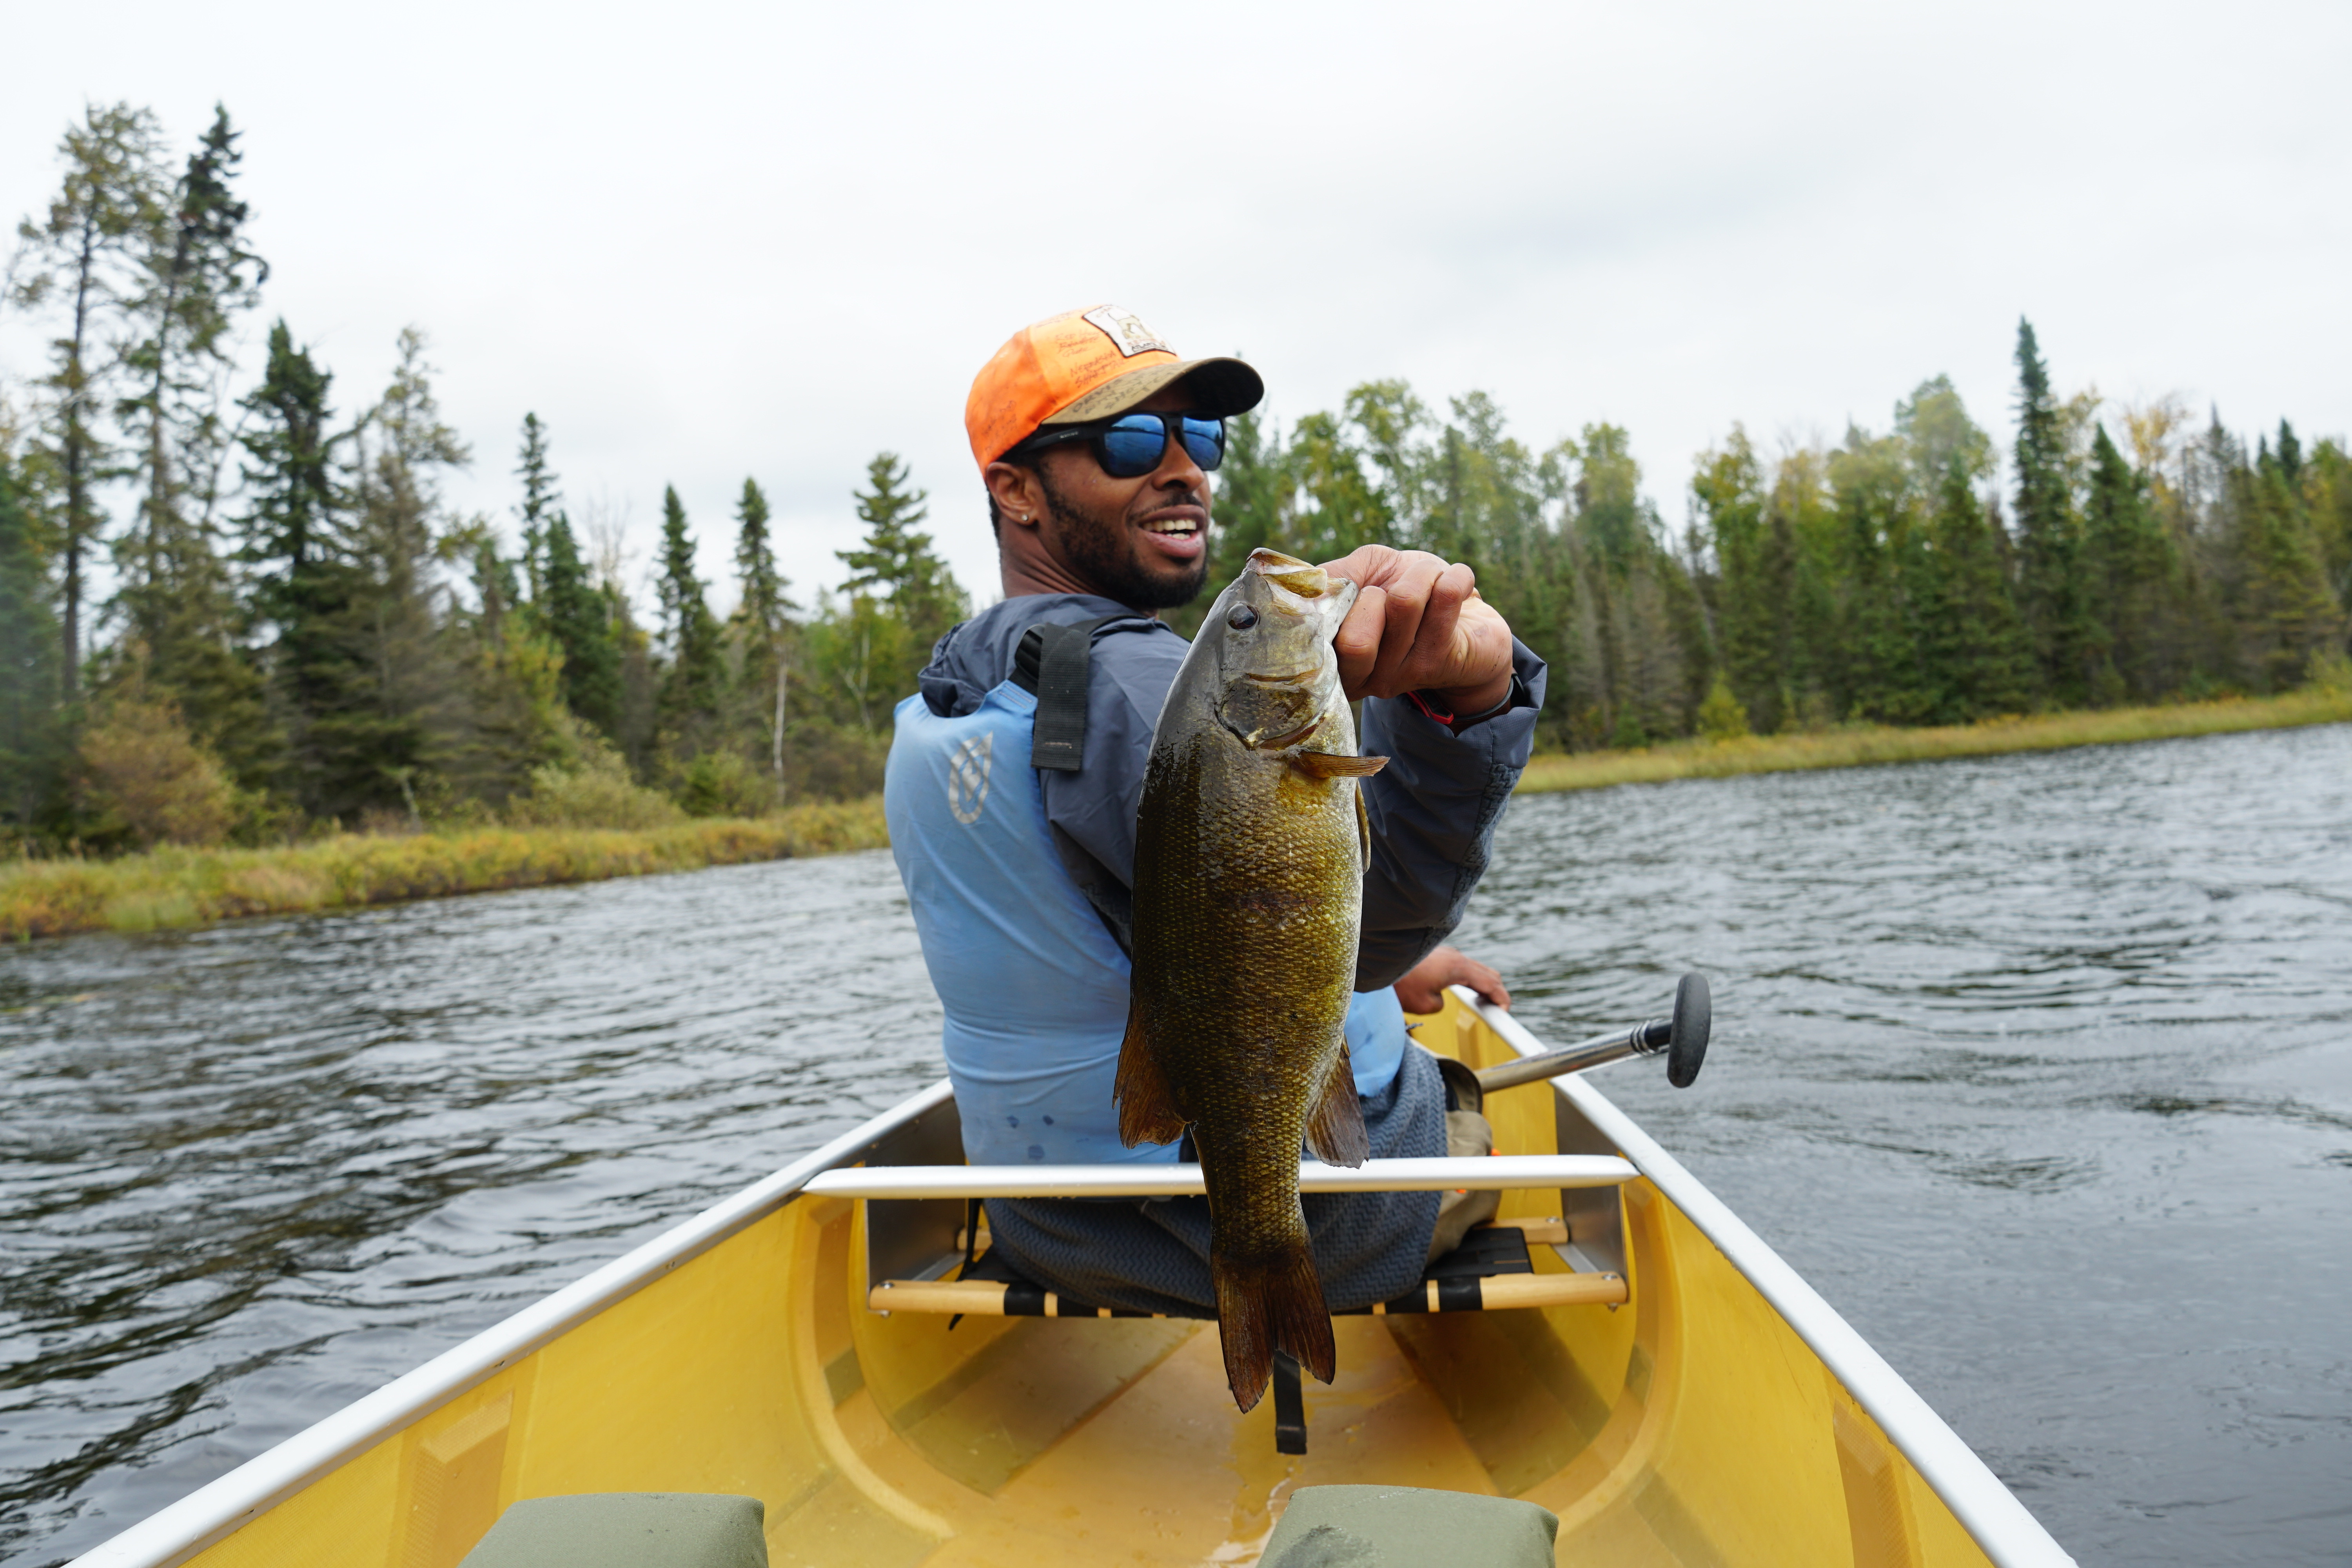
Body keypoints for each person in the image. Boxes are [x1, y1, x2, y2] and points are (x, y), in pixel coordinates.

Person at [883, 305, 1544, 1317]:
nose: (1184, 468)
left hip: (1051, 1220)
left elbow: (1151, 910)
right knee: (1452, 1097)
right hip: (1295, 1226)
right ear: (1014, 490)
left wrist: (1405, 964)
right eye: (1132, 440)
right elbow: (1352, 937)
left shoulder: (964, 691)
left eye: (1202, 438)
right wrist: (1478, 695)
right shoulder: (1152, 688)